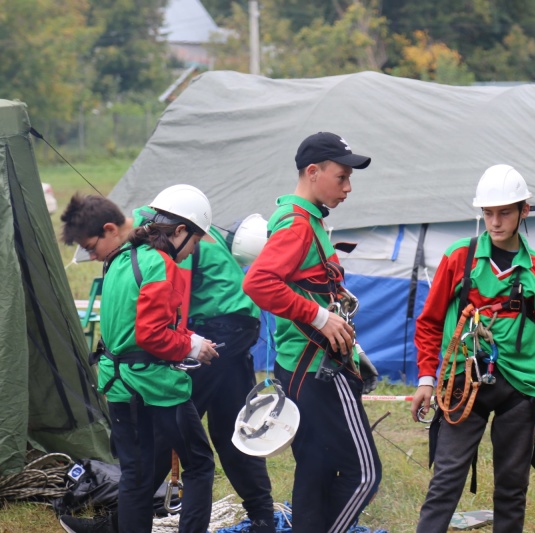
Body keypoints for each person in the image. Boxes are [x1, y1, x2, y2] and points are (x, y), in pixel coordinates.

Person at [59, 192, 276, 533]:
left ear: (111, 228)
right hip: (212, 330)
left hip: (222, 328)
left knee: (188, 438)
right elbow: (157, 322)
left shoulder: (161, 242)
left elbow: (176, 306)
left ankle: (261, 516)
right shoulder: (152, 239)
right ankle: (261, 516)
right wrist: (183, 344)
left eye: (91, 247)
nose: (92, 255)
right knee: (207, 436)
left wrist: (185, 345)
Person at [411, 164, 535, 533]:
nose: (495, 222)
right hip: (462, 383)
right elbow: (430, 322)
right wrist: (426, 379)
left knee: (512, 489)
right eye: (488, 213)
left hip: (520, 390)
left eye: (505, 212)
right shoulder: (457, 259)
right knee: (446, 480)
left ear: (523, 211)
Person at [243, 132, 382, 533]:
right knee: (363, 474)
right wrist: (320, 318)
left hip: (300, 368)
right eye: (341, 176)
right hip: (319, 370)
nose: (348, 187)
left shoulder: (306, 221)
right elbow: (258, 283)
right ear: (313, 172)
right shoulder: (299, 226)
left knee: (315, 474)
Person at [93, 185, 218, 532]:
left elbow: (131, 327)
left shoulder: (119, 257)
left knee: (136, 475)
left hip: (117, 384)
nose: (193, 251)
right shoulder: (162, 265)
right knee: (200, 464)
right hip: (154, 385)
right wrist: (193, 347)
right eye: (194, 242)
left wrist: (187, 337)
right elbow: (152, 335)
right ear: (179, 232)